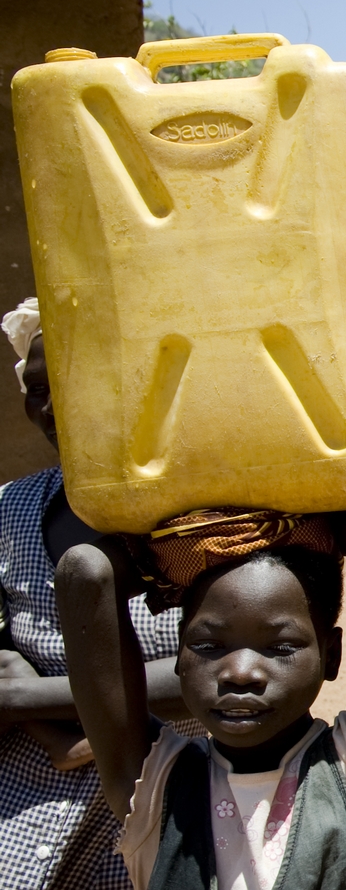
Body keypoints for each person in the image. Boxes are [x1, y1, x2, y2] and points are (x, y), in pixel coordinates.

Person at [54, 504, 346, 890]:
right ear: (179, 652)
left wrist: (308, 521)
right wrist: (174, 545)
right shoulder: (155, 789)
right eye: (208, 645)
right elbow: (84, 571)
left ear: (331, 656)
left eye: (281, 647)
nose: (240, 672)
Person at [0, 297, 198, 890]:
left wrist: (32, 701)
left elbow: (211, 670)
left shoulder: (202, 515)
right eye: (36, 388)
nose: (52, 406)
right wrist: (55, 735)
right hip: (22, 800)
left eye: (69, 381)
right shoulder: (8, 510)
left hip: (165, 794)